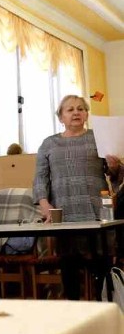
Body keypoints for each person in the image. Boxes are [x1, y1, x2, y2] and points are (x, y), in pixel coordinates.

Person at [33, 95, 121, 300]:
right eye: (70, 109)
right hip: (64, 213)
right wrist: (44, 203)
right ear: (61, 117)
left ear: (86, 115)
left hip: (96, 210)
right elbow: (40, 177)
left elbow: (115, 176)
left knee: (101, 267)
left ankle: (105, 309)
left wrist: (115, 166)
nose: (76, 113)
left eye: (81, 109)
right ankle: (74, 311)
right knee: (69, 268)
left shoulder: (99, 138)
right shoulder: (49, 143)